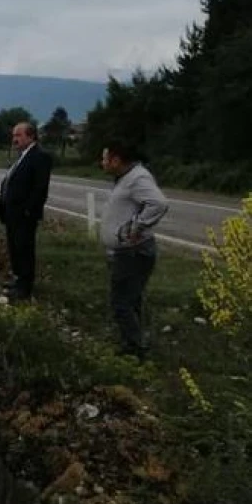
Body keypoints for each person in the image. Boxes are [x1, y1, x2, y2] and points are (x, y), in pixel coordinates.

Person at [99, 145, 169, 357]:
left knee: (122, 302)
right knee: (131, 300)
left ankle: (135, 347)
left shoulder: (137, 178)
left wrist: (137, 226)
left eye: (105, 159)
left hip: (133, 252)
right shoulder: (126, 177)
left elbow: (158, 203)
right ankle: (134, 341)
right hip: (126, 251)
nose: (102, 163)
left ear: (116, 160)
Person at [0, 122, 53, 300]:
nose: (14, 139)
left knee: (24, 248)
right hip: (12, 213)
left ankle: (25, 287)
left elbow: (40, 188)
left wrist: (29, 210)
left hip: (24, 214)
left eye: (18, 135)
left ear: (31, 136)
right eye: (14, 136)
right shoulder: (21, 157)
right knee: (14, 247)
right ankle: (18, 279)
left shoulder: (39, 156)